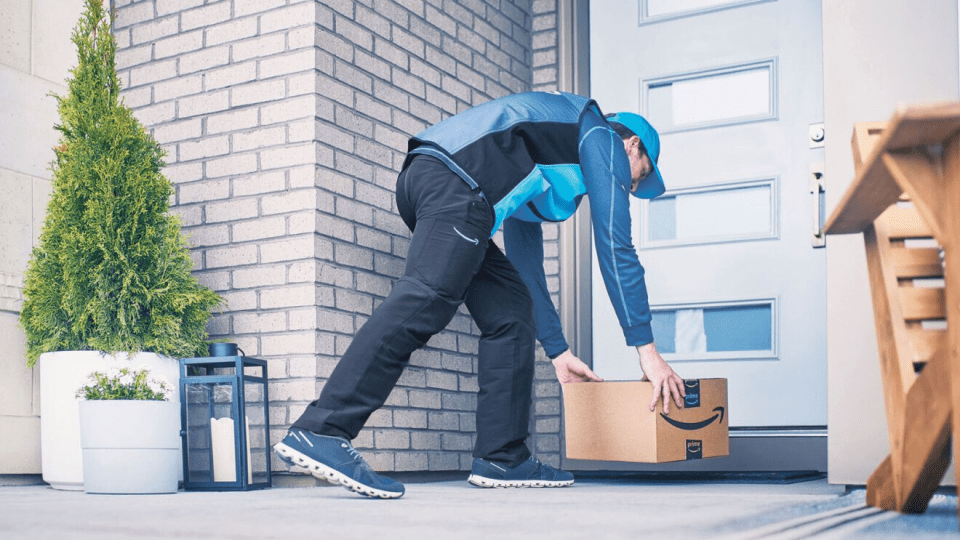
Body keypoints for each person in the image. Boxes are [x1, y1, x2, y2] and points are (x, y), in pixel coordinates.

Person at [273, 91, 686, 499]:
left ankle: (502, 457)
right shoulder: (601, 135)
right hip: (456, 183)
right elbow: (615, 244)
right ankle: (322, 430)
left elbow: (527, 268)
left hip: (446, 186)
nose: (634, 186)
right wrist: (647, 352)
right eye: (643, 174)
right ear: (632, 145)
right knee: (428, 296)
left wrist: (557, 352)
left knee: (511, 306)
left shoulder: (544, 159)